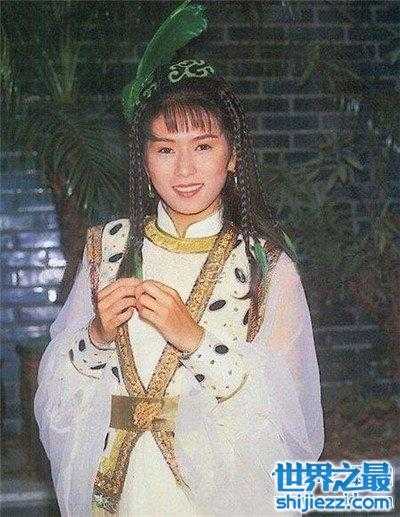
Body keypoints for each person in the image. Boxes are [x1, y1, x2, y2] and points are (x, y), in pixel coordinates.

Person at [34, 3, 324, 517]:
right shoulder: (108, 248)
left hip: (216, 495)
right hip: (122, 490)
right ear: (145, 162)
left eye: (203, 147)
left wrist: (194, 338)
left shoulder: (265, 264)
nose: (185, 169)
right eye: (165, 149)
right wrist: (96, 337)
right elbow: (58, 395)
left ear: (232, 158)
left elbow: (289, 419)